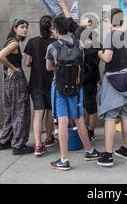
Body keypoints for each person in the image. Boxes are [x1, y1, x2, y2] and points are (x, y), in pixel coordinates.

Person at [46, 16, 102, 171]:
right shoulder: (79, 44)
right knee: (79, 120)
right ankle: (90, 151)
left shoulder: (53, 47)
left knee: (62, 122)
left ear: (56, 30)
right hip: (77, 88)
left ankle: (64, 159)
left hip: (59, 88)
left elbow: (49, 67)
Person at [97, 8, 127, 167]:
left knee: (111, 117)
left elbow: (107, 57)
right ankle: (126, 149)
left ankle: (107, 155)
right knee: (126, 114)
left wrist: (99, 53)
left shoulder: (110, 36)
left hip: (114, 79)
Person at [0, 19, 33, 155]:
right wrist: (13, 68)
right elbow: (0, 57)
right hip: (16, 82)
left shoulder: (9, 41)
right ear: (15, 28)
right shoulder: (14, 43)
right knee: (20, 112)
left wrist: (9, 67)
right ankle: (18, 145)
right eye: (22, 27)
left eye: (26, 27)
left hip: (7, 82)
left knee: (11, 112)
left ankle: (5, 140)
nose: (25, 29)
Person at [24, 15, 57, 156]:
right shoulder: (55, 43)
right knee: (50, 111)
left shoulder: (32, 42)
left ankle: (38, 145)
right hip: (51, 82)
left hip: (36, 83)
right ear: (52, 28)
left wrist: (35, 63)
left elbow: (26, 63)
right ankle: (49, 138)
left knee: (38, 113)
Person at [73, 15, 101, 142]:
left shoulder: (92, 46)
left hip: (88, 79)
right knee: (84, 105)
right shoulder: (83, 46)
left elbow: (94, 65)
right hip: (84, 79)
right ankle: (85, 129)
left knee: (91, 106)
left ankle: (90, 131)